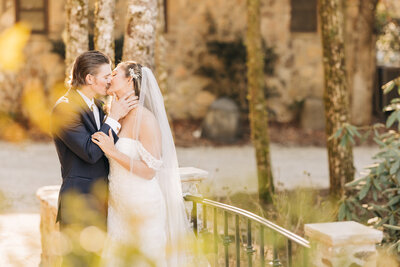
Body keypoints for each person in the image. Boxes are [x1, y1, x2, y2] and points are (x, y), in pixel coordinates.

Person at [92, 61, 197, 266]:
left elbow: (150, 171)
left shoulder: (145, 118)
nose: (109, 78)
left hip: (142, 205)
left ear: (130, 80)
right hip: (118, 205)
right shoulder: (115, 115)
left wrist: (112, 152)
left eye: (114, 73)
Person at [51, 51, 138, 266]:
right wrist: (115, 118)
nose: (110, 80)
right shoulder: (64, 108)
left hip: (103, 202)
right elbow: (90, 152)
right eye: (106, 75)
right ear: (90, 78)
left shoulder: (98, 106)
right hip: (80, 203)